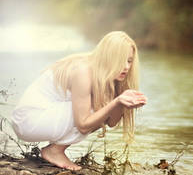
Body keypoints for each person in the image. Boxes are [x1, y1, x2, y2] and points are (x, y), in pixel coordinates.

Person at [11, 31, 147, 170]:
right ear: (108, 57)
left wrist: (123, 100)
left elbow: (111, 122)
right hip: (29, 119)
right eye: (120, 60)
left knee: (102, 108)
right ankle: (54, 151)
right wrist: (116, 102)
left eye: (129, 61)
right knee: (99, 107)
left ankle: (54, 150)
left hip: (42, 117)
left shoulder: (108, 75)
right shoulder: (83, 71)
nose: (126, 66)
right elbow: (83, 125)